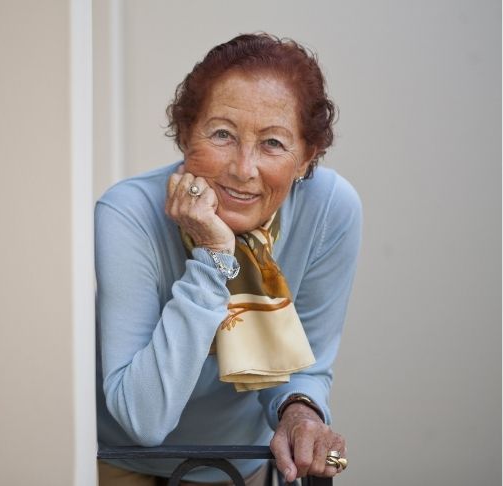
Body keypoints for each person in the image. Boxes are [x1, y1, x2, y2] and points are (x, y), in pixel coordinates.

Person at [95, 33, 361, 485]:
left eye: (273, 143)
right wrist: (213, 256)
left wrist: (301, 412)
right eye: (222, 134)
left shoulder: (330, 209)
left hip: (243, 462)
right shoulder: (128, 213)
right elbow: (143, 420)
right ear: (184, 135)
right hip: (120, 463)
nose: (242, 168)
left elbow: (307, 366)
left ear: (306, 157)